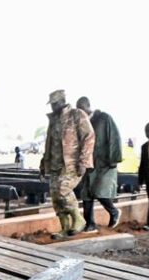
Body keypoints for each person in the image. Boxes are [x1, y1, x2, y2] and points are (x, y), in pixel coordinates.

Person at [40, 89, 94, 240]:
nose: (52, 107)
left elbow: (88, 137)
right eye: (51, 104)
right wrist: (43, 164)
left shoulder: (76, 115)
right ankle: (65, 228)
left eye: (55, 103)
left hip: (72, 164)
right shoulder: (53, 120)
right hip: (55, 165)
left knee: (63, 190)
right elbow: (49, 144)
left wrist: (83, 161)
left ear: (62, 101)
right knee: (56, 197)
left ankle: (79, 219)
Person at [75, 97, 123, 232]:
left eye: (81, 109)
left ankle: (114, 211)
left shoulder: (104, 118)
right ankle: (90, 224)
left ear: (88, 106)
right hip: (89, 163)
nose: (80, 112)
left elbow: (114, 137)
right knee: (86, 194)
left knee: (100, 191)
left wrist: (114, 158)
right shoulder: (82, 123)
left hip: (105, 163)